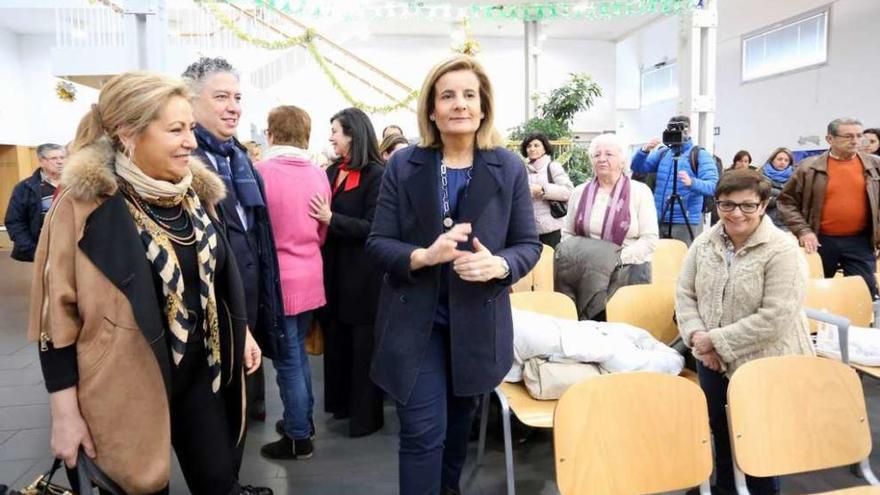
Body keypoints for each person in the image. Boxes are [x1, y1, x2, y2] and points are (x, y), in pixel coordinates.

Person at [29, 71, 269, 495]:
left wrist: (243, 329)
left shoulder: (194, 193)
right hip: (124, 388)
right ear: (128, 134)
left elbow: (210, 281)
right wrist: (65, 413)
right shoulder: (82, 205)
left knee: (220, 481)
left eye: (190, 128)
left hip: (200, 373)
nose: (191, 142)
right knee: (141, 486)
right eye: (176, 130)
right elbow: (54, 322)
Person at [366, 55, 541, 495]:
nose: (459, 104)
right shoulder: (404, 165)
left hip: (478, 323)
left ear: (483, 108)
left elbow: (528, 244)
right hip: (415, 324)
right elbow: (378, 243)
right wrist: (424, 256)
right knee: (423, 433)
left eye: (469, 95)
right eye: (447, 96)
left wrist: (500, 265)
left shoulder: (509, 166)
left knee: (457, 433)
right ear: (431, 109)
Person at [676, 170, 814, 495]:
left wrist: (716, 341)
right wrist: (698, 339)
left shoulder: (783, 250)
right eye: (727, 204)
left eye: (747, 206)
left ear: (764, 205)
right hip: (710, 361)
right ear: (717, 203)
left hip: (766, 363)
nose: (736, 213)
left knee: (760, 441)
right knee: (721, 431)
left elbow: (775, 317)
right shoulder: (704, 243)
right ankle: (725, 488)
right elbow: (684, 294)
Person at [183, 57, 285, 426]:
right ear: (190, 101)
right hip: (211, 309)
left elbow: (258, 233)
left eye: (238, 97)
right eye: (222, 97)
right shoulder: (184, 162)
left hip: (250, 298)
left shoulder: (239, 157)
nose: (234, 108)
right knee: (215, 410)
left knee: (239, 405)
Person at [255, 105, 330, 459]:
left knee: (287, 359)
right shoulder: (318, 174)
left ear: (271, 134)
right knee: (297, 352)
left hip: (278, 280)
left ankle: (299, 436)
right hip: (311, 273)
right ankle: (303, 421)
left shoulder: (260, 173)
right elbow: (323, 229)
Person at [316, 107, 386, 437]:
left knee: (363, 350)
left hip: (363, 278)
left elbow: (374, 228)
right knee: (338, 343)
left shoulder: (377, 174)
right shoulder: (332, 172)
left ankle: (366, 417)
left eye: (335, 130)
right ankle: (341, 406)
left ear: (353, 135)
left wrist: (332, 219)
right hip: (333, 274)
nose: (331, 137)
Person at [557, 133, 658, 320]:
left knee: (625, 331)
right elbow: (567, 234)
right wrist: (589, 258)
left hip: (628, 271)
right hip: (587, 274)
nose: (602, 159)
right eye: (597, 155)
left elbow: (649, 239)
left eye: (609, 154)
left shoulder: (639, 192)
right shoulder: (579, 193)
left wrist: (614, 259)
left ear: (622, 160)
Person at [778, 117, 880, 298]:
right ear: (830, 139)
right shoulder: (808, 168)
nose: (855, 141)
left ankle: (856, 326)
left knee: (863, 294)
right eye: (848, 136)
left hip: (860, 242)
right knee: (814, 293)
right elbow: (786, 201)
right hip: (819, 241)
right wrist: (803, 231)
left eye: (858, 136)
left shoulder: (874, 166)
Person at [630, 115, 719, 245]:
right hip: (659, 218)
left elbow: (714, 186)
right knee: (657, 260)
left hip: (685, 221)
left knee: (682, 260)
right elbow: (637, 168)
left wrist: (692, 183)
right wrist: (644, 151)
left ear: (688, 132)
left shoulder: (699, 154)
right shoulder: (663, 153)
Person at [4, 143, 65, 262]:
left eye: (62, 157)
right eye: (54, 158)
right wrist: (34, 251)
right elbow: (14, 221)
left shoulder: (75, 185)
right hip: (39, 251)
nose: (60, 162)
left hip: (70, 251)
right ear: (41, 161)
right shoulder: (25, 187)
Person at [521, 133, 574, 248]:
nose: (532, 149)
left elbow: (569, 191)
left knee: (551, 262)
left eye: (536, 145)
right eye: (529, 146)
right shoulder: (523, 170)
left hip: (551, 228)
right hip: (530, 229)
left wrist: (543, 190)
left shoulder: (553, 167)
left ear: (544, 148)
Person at [761, 147, 796, 231]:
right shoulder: (760, 178)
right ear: (772, 160)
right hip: (765, 223)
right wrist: (779, 199)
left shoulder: (795, 179)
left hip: (788, 225)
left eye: (786, 160)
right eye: (779, 159)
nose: (782, 162)